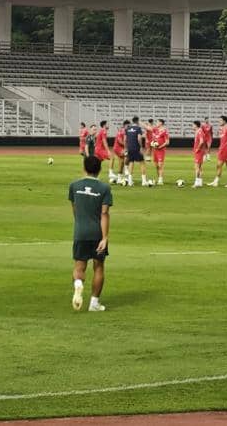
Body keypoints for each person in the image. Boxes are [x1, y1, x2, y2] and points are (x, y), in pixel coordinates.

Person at [69, 155, 112, 312]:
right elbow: (104, 214)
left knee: (79, 266)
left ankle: (78, 284)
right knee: (98, 267)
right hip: (97, 233)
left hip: (80, 231)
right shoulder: (104, 188)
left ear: (84, 168)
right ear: (99, 170)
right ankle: (94, 303)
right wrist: (105, 237)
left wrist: (80, 224)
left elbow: (75, 209)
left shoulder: (74, 186)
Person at [210, 116, 227, 188]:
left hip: (226, 150)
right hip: (222, 149)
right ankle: (216, 181)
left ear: (224, 121)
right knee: (218, 165)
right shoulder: (221, 129)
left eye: (221, 120)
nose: (219, 122)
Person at [123, 117, 146, 186]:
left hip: (130, 148)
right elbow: (139, 138)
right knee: (142, 162)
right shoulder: (138, 128)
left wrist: (126, 148)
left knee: (131, 162)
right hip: (136, 148)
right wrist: (141, 147)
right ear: (138, 121)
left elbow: (125, 140)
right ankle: (144, 181)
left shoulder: (127, 129)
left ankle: (130, 181)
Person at [150, 119, 170, 186]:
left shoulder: (164, 131)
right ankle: (159, 178)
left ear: (161, 123)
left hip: (161, 151)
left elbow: (167, 142)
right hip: (154, 150)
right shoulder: (155, 130)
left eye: (157, 122)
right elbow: (148, 129)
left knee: (160, 165)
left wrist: (160, 146)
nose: (156, 123)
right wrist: (152, 143)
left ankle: (161, 180)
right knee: (156, 166)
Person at [191, 120, 209, 188]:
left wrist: (198, 148)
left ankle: (196, 182)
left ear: (196, 125)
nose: (192, 126)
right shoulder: (198, 131)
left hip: (199, 152)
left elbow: (201, 142)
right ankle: (200, 182)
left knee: (197, 167)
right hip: (200, 152)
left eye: (193, 125)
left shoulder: (199, 131)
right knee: (200, 167)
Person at [110, 120, 129, 184]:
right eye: (128, 125)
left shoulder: (126, 131)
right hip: (118, 148)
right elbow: (120, 141)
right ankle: (125, 172)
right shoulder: (122, 131)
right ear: (124, 125)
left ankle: (119, 178)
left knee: (122, 163)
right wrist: (127, 146)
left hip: (121, 148)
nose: (129, 127)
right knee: (126, 156)